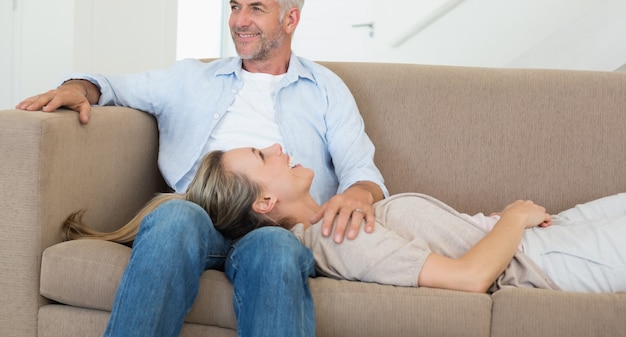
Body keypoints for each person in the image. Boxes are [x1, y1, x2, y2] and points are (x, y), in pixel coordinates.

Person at [16, 0, 387, 337]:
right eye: (234, 6)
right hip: (201, 216)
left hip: (277, 226)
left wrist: (359, 193)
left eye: (256, 8)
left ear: (290, 20)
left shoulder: (325, 89)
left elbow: (361, 169)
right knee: (177, 218)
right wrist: (77, 89)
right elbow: (111, 86)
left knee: (274, 250)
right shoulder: (191, 78)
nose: (239, 20)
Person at [66, 144, 626, 294]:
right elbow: (470, 280)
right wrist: (514, 218)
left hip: (550, 233)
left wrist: (514, 220)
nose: (278, 147)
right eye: (264, 158)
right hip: (547, 261)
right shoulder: (336, 240)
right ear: (264, 205)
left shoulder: (343, 213)